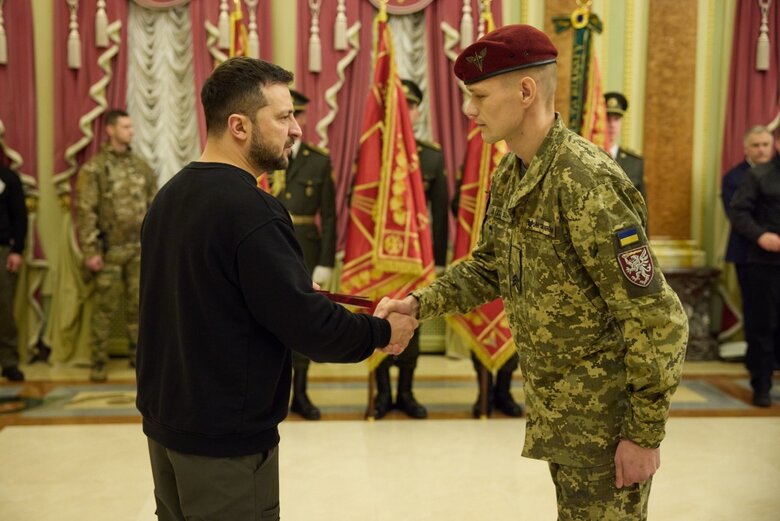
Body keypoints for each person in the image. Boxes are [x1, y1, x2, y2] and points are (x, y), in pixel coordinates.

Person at [376, 25, 688, 519]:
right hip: (563, 418)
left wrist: (643, 435)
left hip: (607, 428)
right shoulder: (513, 170)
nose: (467, 110)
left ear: (525, 92)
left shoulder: (585, 180)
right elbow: (488, 267)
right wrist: (418, 305)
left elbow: (659, 320)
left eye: (478, 96)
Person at [135, 57, 417, 521]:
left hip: (168, 426)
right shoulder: (253, 209)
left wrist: (284, 289)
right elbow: (310, 329)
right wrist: (381, 333)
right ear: (240, 126)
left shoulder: (170, 195)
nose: (296, 130)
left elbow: (213, 298)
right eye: (284, 117)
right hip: (225, 441)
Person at [371, 79, 449, 420]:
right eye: (401, 103)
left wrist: (442, 260)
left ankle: (405, 391)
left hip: (417, 257)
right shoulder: (372, 153)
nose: (407, 110)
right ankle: (383, 393)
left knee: (411, 320)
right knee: (377, 319)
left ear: (417, 112)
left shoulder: (430, 156)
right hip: (376, 257)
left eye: (412, 104)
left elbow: (441, 210)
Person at [75, 109, 157, 382]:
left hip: (138, 250)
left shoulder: (141, 166)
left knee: (140, 307)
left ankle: (140, 358)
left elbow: (153, 206)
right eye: (125, 126)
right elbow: (85, 211)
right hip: (109, 251)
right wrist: (90, 251)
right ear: (110, 130)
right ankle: (98, 362)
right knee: (104, 310)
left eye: (131, 126)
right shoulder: (95, 168)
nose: (130, 131)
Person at [271, 89, 335, 420]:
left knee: (303, 322)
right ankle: (273, 394)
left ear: (305, 118)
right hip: (267, 250)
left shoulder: (318, 160)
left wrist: (326, 262)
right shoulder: (261, 156)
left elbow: (330, 215)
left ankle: (302, 394)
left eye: (299, 113)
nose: (294, 121)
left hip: (306, 249)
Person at [729, 126, 780, 408]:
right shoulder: (758, 175)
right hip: (765, 263)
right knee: (763, 326)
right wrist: (761, 235)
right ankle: (761, 385)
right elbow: (738, 211)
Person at [0, 163, 28, 382]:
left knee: (4, 310)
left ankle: (9, 362)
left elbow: (19, 215)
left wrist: (17, 249)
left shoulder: (8, 177)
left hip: (3, 251)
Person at [605, 91, 646, 202]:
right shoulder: (587, 156)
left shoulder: (634, 162)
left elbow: (642, 210)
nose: (612, 125)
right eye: (608, 119)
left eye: (616, 119)